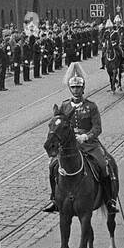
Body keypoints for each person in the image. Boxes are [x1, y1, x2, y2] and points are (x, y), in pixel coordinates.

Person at [44, 62, 115, 213]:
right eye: (74, 87)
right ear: (70, 89)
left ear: (83, 88)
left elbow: (97, 128)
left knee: (103, 165)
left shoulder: (91, 106)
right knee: (52, 166)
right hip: (69, 145)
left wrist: (86, 136)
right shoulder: (64, 106)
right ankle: (54, 199)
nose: (76, 90)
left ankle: (109, 200)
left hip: (89, 144)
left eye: (79, 87)